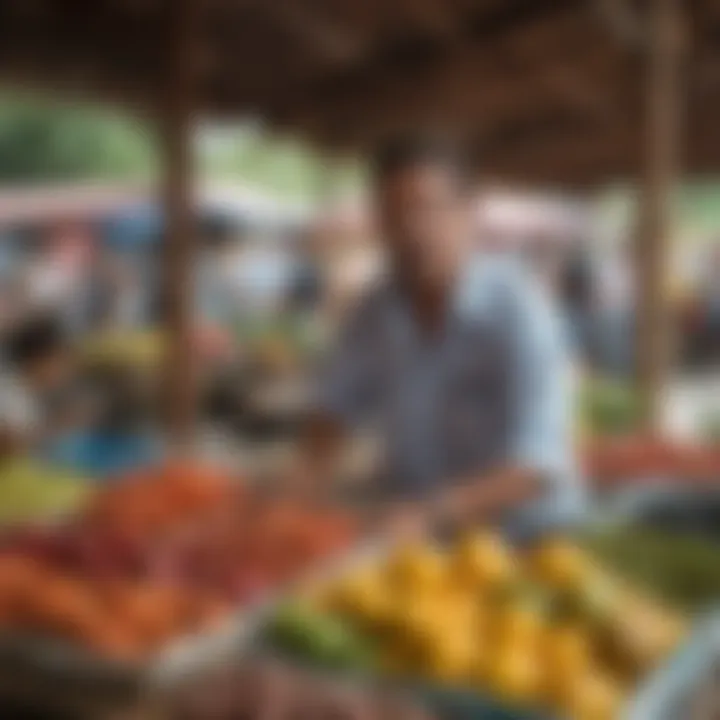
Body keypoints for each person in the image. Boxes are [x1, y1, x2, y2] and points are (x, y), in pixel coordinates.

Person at [291, 136, 580, 536]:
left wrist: (430, 512)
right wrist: (309, 474)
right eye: (394, 214)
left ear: (469, 212)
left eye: (429, 208)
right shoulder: (377, 307)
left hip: (526, 539)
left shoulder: (520, 309)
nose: (412, 228)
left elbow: (539, 463)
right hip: (423, 535)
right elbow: (334, 406)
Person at [0, 315, 90, 455]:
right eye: (60, 360)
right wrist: (60, 426)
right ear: (38, 360)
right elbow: (10, 443)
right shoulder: (10, 395)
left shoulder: (31, 395)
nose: (66, 370)